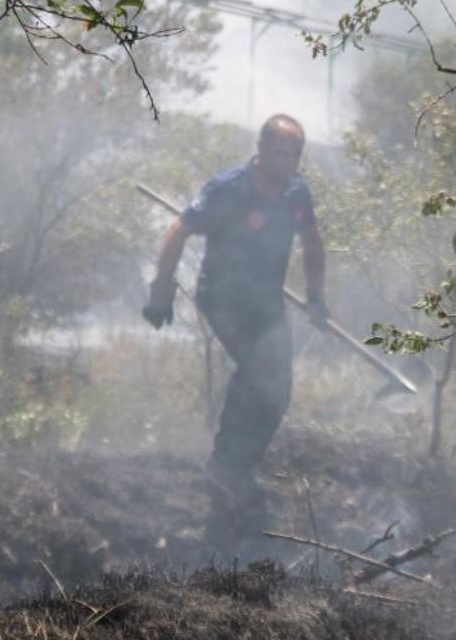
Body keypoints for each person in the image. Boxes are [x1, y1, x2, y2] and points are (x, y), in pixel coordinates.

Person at [142, 114, 327, 533]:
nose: (286, 162)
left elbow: (313, 243)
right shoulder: (228, 188)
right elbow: (178, 230)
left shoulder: (297, 193)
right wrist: (161, 289)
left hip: (265, 302)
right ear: (260, 150)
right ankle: (225, 465)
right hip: (222, 297)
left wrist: (316, 297)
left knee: (278, 391)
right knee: (257, 371)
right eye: (279, 152)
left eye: (294, 154)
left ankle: (238, 466)